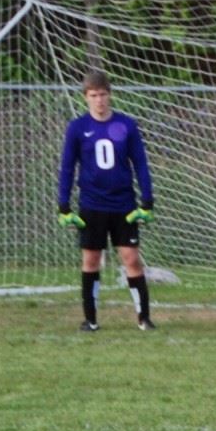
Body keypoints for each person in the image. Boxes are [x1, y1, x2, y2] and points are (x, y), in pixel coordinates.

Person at [57, 70, 157, 332]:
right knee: (90, 260)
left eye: (103, 94)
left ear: (109, 95)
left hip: (123, 204)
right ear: (85, 98)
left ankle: (143, 318)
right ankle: (90, 320)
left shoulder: (126, 125)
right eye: (93, 96)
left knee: (131, 259)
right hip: (92, 204)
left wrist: (147, 200)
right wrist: (63, 204)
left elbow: (141, 164)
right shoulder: (77, 128)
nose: (99, 100)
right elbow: (67, 167)